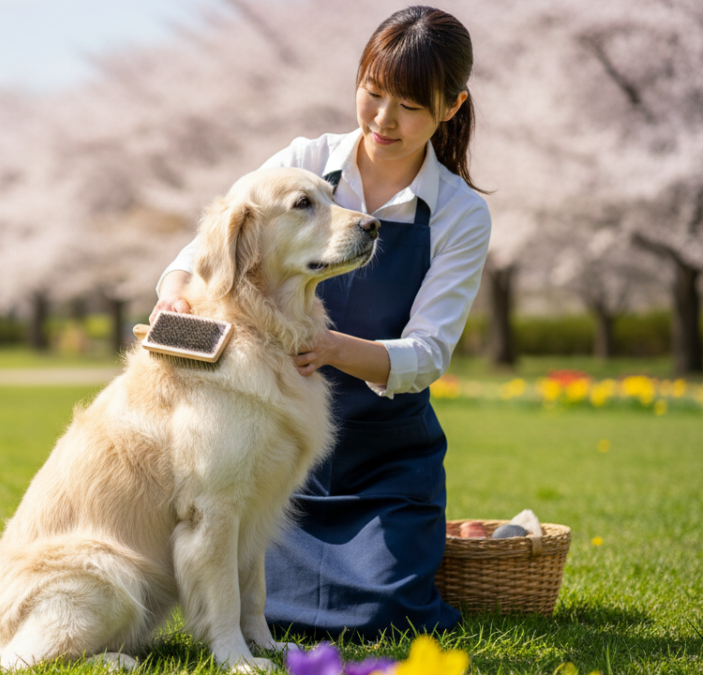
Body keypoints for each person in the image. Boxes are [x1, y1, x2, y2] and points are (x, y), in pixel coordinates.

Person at [152, 6, 491, 640]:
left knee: (383, 617)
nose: (384, 120)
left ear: (451, 107)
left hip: (384, 458)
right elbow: (218, 241)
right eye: (373, 92)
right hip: (267, 447)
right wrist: (175, 296)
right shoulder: (307, 160)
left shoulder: (459, 213)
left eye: (411, 106)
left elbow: (429, 353)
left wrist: (332, 347)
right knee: (242, 567)